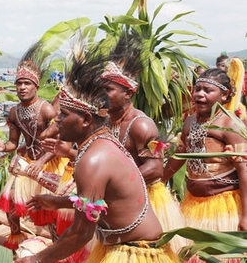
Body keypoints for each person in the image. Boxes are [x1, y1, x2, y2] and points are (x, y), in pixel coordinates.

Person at [15, 49, 178, 263]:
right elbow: (103, 198)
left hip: (137, 253)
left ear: (85, 119)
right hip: (124, 246)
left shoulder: (94, 158)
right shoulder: (99, 143)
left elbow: (81, 233)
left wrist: (36, 259)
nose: (57, 119)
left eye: (64, 114)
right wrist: (58, 202)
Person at [101, 32, 187, 253]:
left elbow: (155, 168)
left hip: (148, 201)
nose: (102, 95)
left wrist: (115, 184)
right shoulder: (105, 120)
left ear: (129, 92)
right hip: (119, 200)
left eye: (108, 90)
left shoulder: (142, 125)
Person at [0, 42, 69, 249]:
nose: (22, 87)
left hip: (50, 163)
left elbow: (60, 142)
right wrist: (2, 147)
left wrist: (41, 162)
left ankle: (58, 250)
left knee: (51, 213)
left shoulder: (46, 110)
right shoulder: (14, 112)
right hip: (27, 162)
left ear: (36, 86)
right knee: (11, 205)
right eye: (19, 83)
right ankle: (16, 240)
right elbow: (14, 142)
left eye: (26, 83)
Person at [163, 68, 247, 261]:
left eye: (208, 90)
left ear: (224, 95)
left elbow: (244, 170)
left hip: (223, 207)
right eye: (197, 89)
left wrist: (245, 216)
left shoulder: (231, 125)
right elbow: (181, 155)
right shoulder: (190, 121)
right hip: (192, 203)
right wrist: (159, 180)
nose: (199, 94)